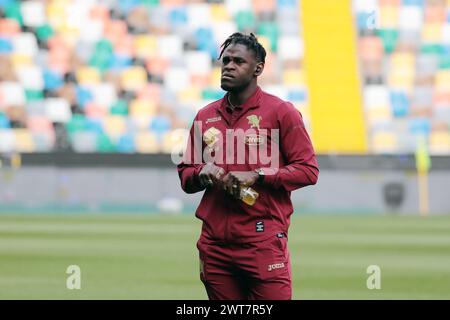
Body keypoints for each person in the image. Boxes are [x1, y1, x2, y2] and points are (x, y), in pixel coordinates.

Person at [177, 32, 319, 300]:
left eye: (238, 61)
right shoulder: (205, 116)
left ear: (258, 69)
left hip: (263, 242)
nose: (229, 66)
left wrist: (258, 175)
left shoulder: (281, 112)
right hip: (215, 245)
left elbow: (308, 170)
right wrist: (200, 173)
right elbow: (186, 175)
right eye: (226, 60)